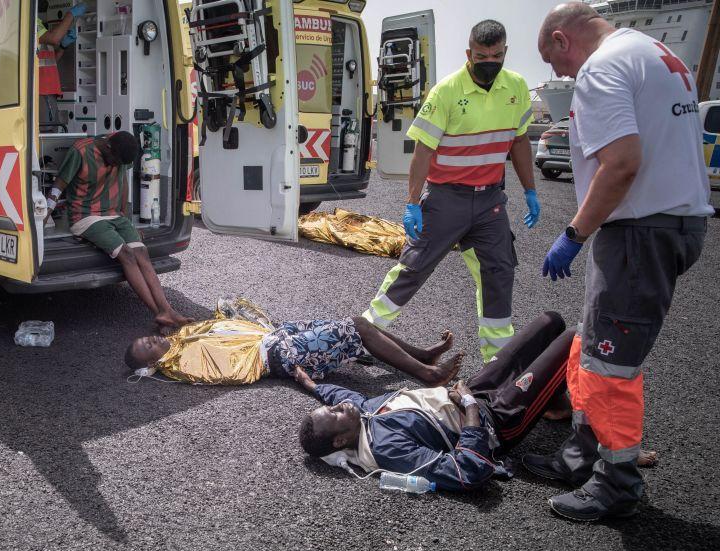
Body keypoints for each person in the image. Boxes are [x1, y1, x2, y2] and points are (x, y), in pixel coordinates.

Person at [528, 3, 710, 521]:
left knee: (611, 365)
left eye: (553, 59)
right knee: (590, 343)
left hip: (638, 232)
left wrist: (574, 234)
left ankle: (616, 483)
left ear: (564, 39)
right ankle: (580, 456)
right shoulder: (657, 54)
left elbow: (622, 163)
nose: (559, 74)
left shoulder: (603, 68)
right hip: (670, 223)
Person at [362, 19, 542, 363]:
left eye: (496, 55)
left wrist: (530, 190)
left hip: (490, 199)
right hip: (447, 198)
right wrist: (412, 203)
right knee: (415, 267)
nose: (489, 61)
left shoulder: (516, 88)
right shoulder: (446, 91)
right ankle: (366, 333)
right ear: (468, 53)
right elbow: (423, 151)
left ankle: (497, 360)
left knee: (499, 273)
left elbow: (519, 141)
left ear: (505, 53)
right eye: (481, 55)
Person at [298, 312, 573, 491]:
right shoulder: (387, 449)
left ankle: (555, 404)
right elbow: (466, 471)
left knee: (550, 322)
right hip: (496, 420)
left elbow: (344, 397)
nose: (341, 405)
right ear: (339, 441)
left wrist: (313, 385)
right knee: (575, 341)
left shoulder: (361, 415)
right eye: (334, 413)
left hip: (472, 391)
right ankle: (551, 399)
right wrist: (470, 406)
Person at [51, 131, 191, 327]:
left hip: (115, 214)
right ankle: (159, 313)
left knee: (142, 253)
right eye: (113, 160)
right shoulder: (81, 151)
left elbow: (123, 182)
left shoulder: (121, 152)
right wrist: (46, 210)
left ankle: (167, 310)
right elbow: (60, 183)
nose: (115, 165)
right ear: (108, 146)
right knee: (126, 254)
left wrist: (127, 217)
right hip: (86, 216)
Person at [124, 313, 462, 387]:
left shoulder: (182, 339)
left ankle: (422, 355)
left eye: (146, 338)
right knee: (354, 327)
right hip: (277, 355)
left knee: (356, 323)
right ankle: (427, 373)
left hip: (274, 338)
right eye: (148, 349)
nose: (151, 341)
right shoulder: (180, 363)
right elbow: (226, 367)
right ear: (152, 363)